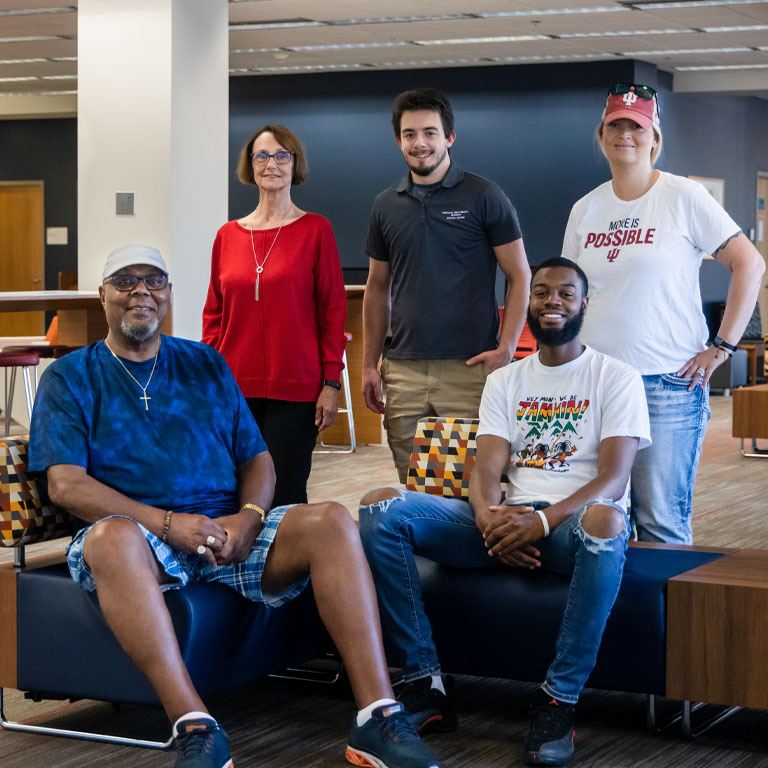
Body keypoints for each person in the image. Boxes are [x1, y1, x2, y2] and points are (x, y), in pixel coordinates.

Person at [29, 244, 441, 768]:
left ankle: (377, 719)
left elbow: (257, 459)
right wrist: (168, 524)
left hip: (225, 527)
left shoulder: (204, 363)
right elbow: (66, 486)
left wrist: (249, 517)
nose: (142, 292)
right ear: (103, 294)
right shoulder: (71, 376)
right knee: (111, 538)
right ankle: (196, 730)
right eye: (126, 281)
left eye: (154, 281)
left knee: (331, 519)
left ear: (170, 294)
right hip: (139, 535)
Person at [359, 258, 651, 767]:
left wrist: (540, 523)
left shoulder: (616, 377)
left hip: (570, 527)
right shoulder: (506, 380)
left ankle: (559, 698)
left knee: (608, 518)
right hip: (506, 520)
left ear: (585, 304)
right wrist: (489, 520)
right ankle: (426, 682)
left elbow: (613, 480)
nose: (552, 302)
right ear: (526, 302)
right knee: (380, 508)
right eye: (541, 292)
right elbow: (486, 470)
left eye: (565, 293)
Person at [562, 82, 765, 544]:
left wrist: (722, 347)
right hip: (598, 384)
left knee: (660, 524)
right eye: (616, 124)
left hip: (666, 383)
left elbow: (750, 264)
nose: (625, 134)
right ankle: (614, 617)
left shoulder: (683, 197)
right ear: (602, 134)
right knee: (597, 522)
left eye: (637, 125)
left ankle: (664, 618)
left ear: (654, 137)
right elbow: (571, 293)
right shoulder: (585, 209)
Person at [362, 87, 531, 483]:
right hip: (402, 370)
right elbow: (377, 287)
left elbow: (519, 274)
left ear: (449, 137)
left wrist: (506, 347)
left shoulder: (484, 195)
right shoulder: (385, 205)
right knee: (415, 483)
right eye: (409, 134)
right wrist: (369, 364)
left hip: (467, 368)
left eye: (430, 132)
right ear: (398, 140)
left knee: (473, 484)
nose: (419, 143)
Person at [203, 124, 346, 507]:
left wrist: (330, 383)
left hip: (297, 387)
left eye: (282, 155)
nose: (272, 164)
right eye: (262, 155)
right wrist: (209, 381)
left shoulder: (316, 230)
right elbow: (213, 316)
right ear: (249, 166)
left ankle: (289, 567)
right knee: (234, 491)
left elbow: (333, 312)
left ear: (294, 164)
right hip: (235, 386)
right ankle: (239, 566)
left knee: (284, 493)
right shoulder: (227, 236)